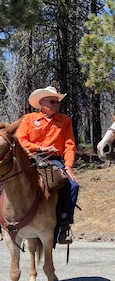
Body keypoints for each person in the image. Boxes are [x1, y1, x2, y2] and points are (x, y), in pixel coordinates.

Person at [16, 86, 79, 244]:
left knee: (72, 185)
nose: (56, 104)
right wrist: (40, 148)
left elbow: (69, 145)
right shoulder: (29, 119)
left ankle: (65, 224)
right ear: (41, 103)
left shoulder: (64, 120)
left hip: (53, 160)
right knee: (7, 177)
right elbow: (21, 140)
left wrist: (69, 166)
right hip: (29, 157)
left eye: (57, 102)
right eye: (52, 101)